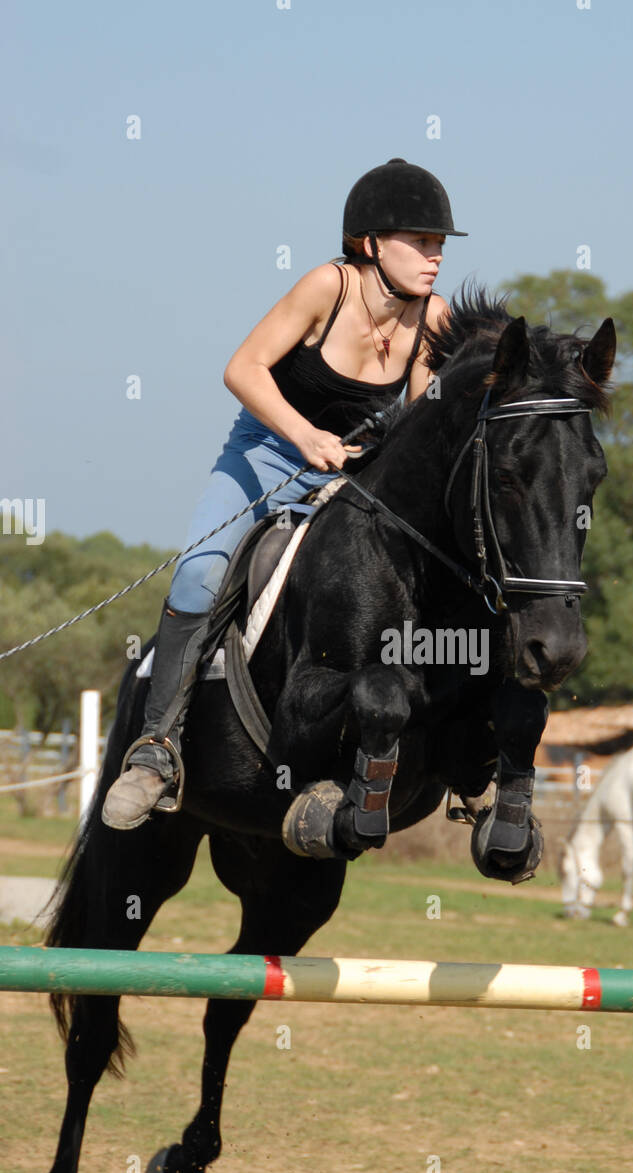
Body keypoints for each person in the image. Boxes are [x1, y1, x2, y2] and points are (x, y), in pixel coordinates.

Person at [102, 158, 463, 831]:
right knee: (201, 576)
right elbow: (242, 368)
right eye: (420, 241)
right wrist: (304, 437)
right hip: (266, 455)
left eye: (439, 244)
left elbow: (418, 424)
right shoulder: (326, 286)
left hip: (352, 480)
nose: (434, 257)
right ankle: (156, 750)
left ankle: (465, 752)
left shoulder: (430, 318)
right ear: (370, 244)